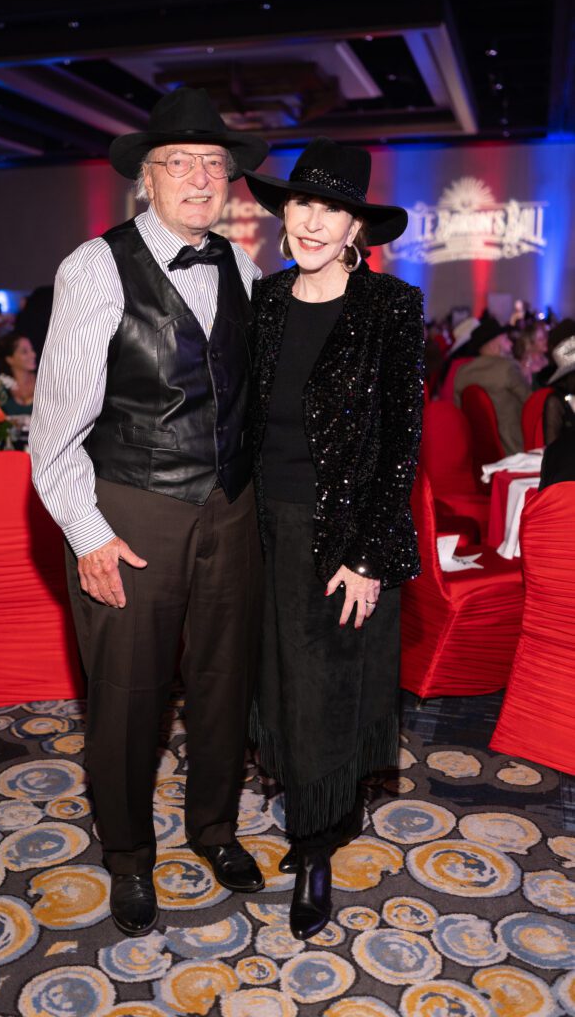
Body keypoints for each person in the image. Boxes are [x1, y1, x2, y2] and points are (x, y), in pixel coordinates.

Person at [30, 87, 269, 937]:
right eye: (180, 163)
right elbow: (55, 425)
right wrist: (87, 532)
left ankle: (212, 829)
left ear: (231, 182)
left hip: (229, 510)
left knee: (220, 682)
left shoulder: (241, 266)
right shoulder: (94, 266)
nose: (200, 178)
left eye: (213, 164)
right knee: (128, 694)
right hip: (130, 509)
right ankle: (128, 855)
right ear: (148, 178)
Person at [243, 137, 424, 939]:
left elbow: (399, 443)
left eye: (333, 208)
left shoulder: (390, 308)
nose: (314, 221)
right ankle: (309, 810)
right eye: (303, 203)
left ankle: (316, 849)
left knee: (327, 690)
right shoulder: (265, 301)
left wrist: (368, 555)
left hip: (340, 535)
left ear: (357, 225)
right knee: (277, 682)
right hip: (257, 527)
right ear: (284, 212)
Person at [454, 319, 529, 454]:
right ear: (494, 346)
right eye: (506, 339)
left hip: (476, 452)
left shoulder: (462, 372)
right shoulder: (508, 368)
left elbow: (458, 413)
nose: (511, 344)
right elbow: (532, 403)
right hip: (512, 450)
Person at [0, 333, 37, 417]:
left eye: (32, 350)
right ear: (10, 359)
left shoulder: (45, 381)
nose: (33, 355)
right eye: (25, 352)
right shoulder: (0, 386)